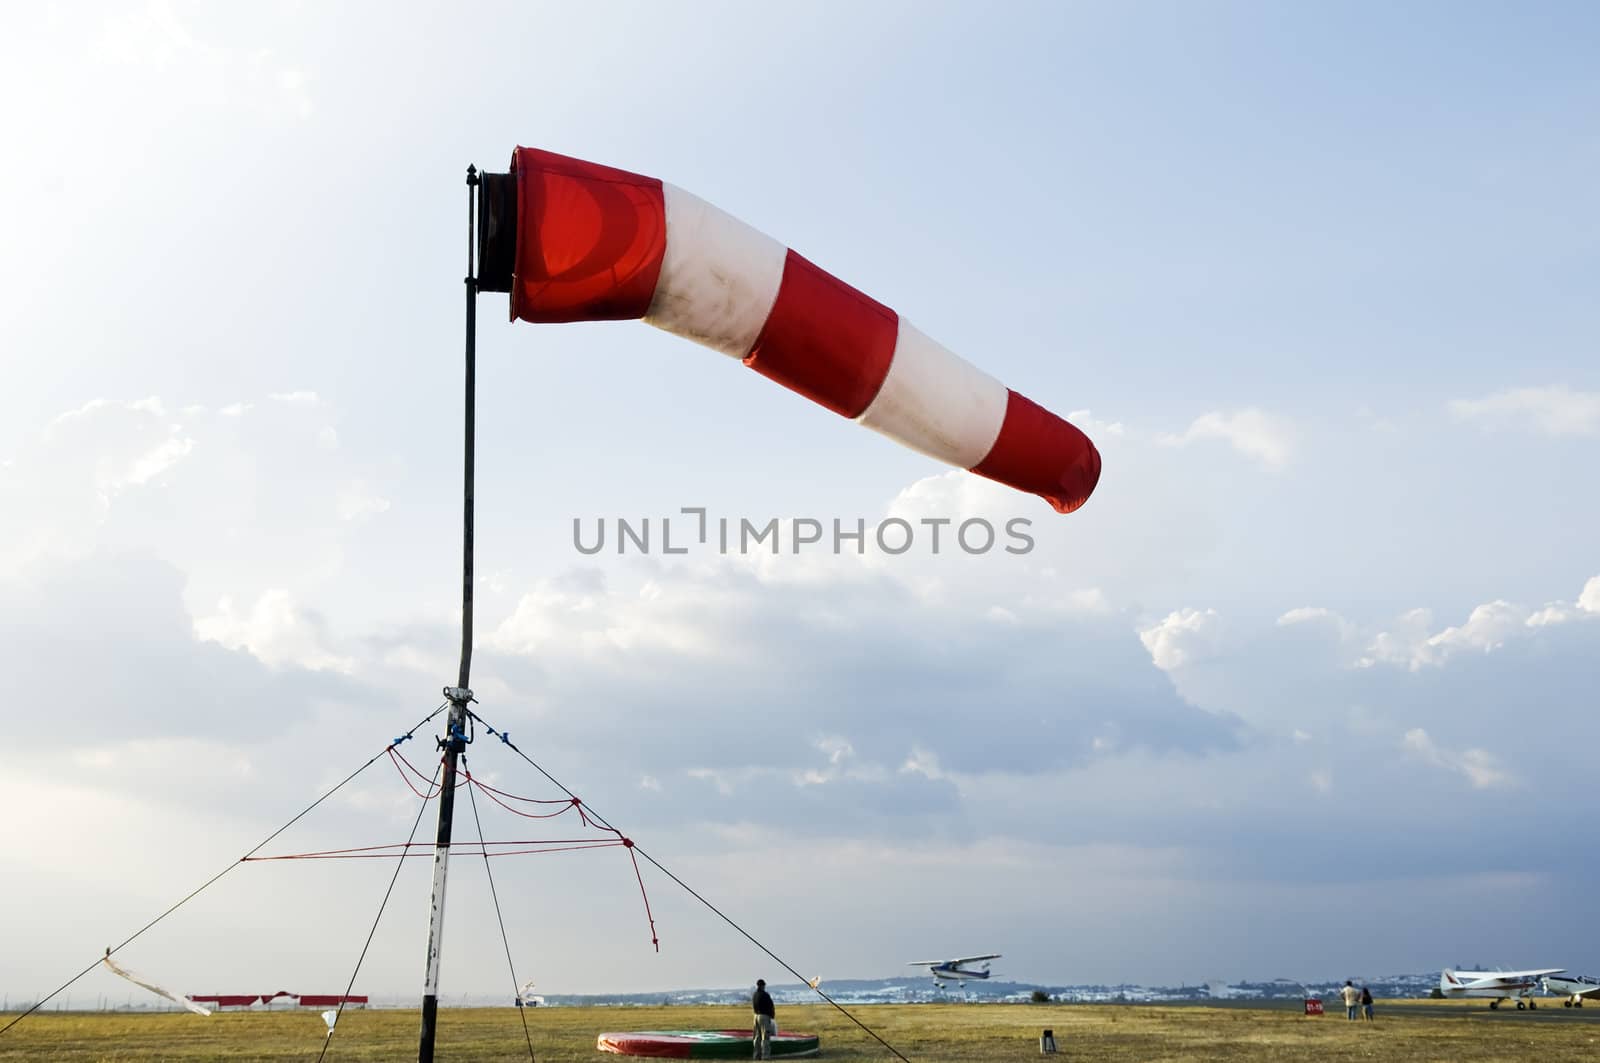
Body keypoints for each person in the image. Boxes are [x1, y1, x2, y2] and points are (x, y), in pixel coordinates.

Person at [751, 978, 776, 1059]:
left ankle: (756, 1055)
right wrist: (772, 1016)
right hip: (764, 1017)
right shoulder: (765, 995)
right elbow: (771, 1006)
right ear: (763, 986)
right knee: (765, 1037)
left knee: (757, 1037)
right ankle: (765, 1056)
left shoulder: (754, 995)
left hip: (756, 1016)